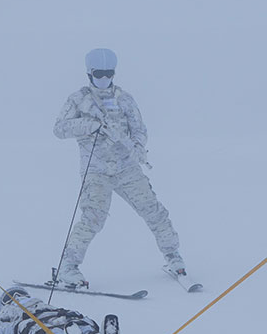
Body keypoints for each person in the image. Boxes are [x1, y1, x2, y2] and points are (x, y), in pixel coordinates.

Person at [52, 48, 190, 288]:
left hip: (127, 168)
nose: (104, 78)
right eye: (99, 73)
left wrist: (137, 147)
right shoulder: (78, 100)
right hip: (96, 171)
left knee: (153, 211)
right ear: (89, 73)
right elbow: (60, 129)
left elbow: (139, 130)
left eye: (109, 73)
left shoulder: (124, 99)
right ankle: (68, 267)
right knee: (92, 219)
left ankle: (173, 257)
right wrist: (90, 125)